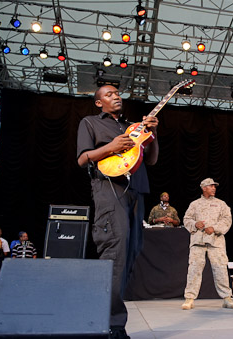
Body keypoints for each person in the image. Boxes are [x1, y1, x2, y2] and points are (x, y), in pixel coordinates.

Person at [76, 84, 159, 339]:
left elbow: (152, 159)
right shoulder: (90, 123)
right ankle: (112, 326)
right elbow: (82, 159)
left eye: (117, 93)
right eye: (109, 94)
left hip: (137, 192)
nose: (116, 96)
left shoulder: (133, 126)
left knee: (130, 255)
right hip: (109, 190)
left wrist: (154, 133)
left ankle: (107, 319)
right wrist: (111, 146)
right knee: (115, 253)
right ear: (99, 102)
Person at [181, 178, 233, 310]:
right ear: (204, 188)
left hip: (215, 242)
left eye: (214, 186)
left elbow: (227, 220)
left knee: (221, 269)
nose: (214, 188)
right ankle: (189, 298)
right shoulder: (195, 204)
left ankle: (227, 298)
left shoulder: (221, 204)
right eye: (211, 186)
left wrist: (215, 228)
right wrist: (195, 224)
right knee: (194, 270)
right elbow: (186, 219)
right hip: (198, 241)